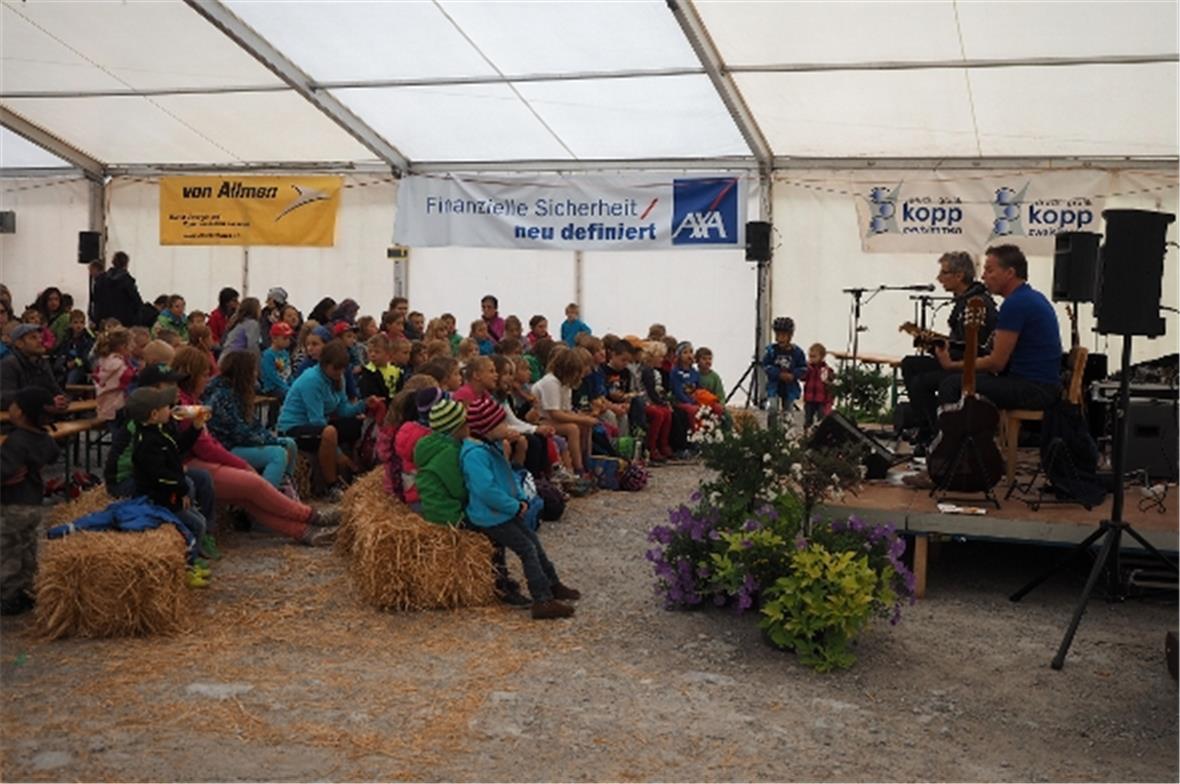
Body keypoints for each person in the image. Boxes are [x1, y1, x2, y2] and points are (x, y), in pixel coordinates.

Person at [169, 349, 337, 545]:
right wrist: (241, 464)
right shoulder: (187, 404)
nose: (208, 379)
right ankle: (310, 516)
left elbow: (217, 438)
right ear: (191, 375)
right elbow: (207, 446)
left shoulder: (194, 400)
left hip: (204, 457)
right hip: (195, 461)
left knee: (249, 496)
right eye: (204, 375)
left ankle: (303, 531)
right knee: (255, 484)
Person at [460, 398, 581, 620]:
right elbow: (486, 490)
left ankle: (553, 584)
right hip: (491, 516)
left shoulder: (490, 446)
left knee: (533, 543)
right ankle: (542, 599)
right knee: (527, 549)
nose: (507, 427)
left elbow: (505, 476)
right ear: (487, 429)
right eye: (502, 425)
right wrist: (513, 505)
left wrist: (519, 499)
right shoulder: (475, 454)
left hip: (503, 511)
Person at [934, 244, 1062, 415]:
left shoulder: (1016, 304)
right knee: (954, 381)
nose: (983, 276)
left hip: (1034, 389)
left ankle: (958, 440)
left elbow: (996, 363)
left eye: (989, 270)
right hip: (1038, 384)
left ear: (1009, 273)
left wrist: (952, 365)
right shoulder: (1029, 297)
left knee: (952, 385)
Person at [902, 251, 1000, 452]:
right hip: (959, 360)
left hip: (974, 368)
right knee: (910, 364)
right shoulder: (965, 299)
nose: (939, 278)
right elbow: (959, 343)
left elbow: (973, 348)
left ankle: (937, 434)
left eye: (944, 273)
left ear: (959, 276)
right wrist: (934, 343)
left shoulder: (976, 303)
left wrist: (939, 348)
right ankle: (926, 429)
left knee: (921, 382)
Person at [125, 385, 211, 578]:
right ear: (154, 414)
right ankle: (186, 568)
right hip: (158, 498)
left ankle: (191, 560)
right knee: (196, 525)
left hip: (168, 494)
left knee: (199, 521)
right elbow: (160, 476)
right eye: (166, 406)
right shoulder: (147, 443)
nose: (171, 408)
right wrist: (180, 490)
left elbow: (178, 448)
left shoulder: (159, 431)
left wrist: (195, 428)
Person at [277, 340, 373, 500]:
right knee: (329, 432)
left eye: (342, 368)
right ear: (324, 364)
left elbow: (343, 409)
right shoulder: (312, 380)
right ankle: (331, 486)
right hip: (294, 427)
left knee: (357, 425)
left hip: (318, 423)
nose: (339, 372)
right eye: (336, 368)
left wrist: (364, 405)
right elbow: (316, 421)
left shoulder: (337, 378)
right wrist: (338, 453)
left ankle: (360, 472)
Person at [205, 350, 299, 495]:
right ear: (244, 372)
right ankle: (265, 499)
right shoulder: (222, 396)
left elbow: (254, 425)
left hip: (242, 442)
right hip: (228, 447)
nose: (256, 374)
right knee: (278, 454)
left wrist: (269, 438)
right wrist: (268, 441)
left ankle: (283, 485)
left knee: (290, 444)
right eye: (253, 370)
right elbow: (239, 434)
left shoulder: (238, 391)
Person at [0, 387, 60, 614]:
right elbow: (53, 454)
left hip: (13, 503)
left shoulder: (17, 442)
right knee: (28, 547)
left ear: (22, 413)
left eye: (14, 405)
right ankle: (28, 588)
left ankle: (8, 594)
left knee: (9, 549)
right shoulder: (43, 437)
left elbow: (4, 470)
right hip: (33, 503)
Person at [0, 324, 66, 410]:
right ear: (19, 344)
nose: (40, 340)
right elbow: (4, 398)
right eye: (33, 338)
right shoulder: (9, 364)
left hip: (43, 415)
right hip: (16, 419)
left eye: (40, 337)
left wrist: (62, 400)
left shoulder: (43, 363)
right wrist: (43, 401)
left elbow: (55, 389)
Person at [761, 317, 807, 424]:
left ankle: (788, 434)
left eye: (783, 335)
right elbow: (766, 365)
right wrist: (778, 374)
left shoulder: (797, 352)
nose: (780, 338)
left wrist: (793, 375)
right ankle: (771, 432)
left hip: (789, 387)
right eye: (777, 335)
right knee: (772, 408)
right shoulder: (771, 351)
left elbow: (803, 368)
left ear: (790, 336)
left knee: (788, 412)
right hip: (774, 386)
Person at [93, 326, 135, 427]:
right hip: (117, 404)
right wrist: (138, 372)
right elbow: (126, 377)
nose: (133, 348)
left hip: (107, 403)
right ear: (123, 347)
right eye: (131, 345)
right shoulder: (117, 363)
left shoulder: (103, 360)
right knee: (119, 435)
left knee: (115, 430)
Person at [91, 251, 145, 328]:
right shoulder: (127, 280)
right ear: (126, 264)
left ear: (113, 262)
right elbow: (137, 302)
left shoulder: (101, 280)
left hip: (105, 322)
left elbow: (96, 302)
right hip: (124, 323)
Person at [259, 322, 295, 424]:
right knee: (287, 395)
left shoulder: (285, 353)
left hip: (284, 385)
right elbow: (271, 376)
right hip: (272, 387)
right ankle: (275, 422)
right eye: (284, 338)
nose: (288, 341)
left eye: (288, 338)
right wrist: (287, 387)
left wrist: (294, 385)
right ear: (274, 338)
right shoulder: (268, 355)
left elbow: (288, 372)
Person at [54, 309, 95, 386]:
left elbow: (86, 356)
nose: (79, 325)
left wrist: (75, 362)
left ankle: (69, 395)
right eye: (75, 322)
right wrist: (65, 363)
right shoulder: (66, 338)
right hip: (66, 365)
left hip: (81, 367)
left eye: (81, 323)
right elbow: (61, 352)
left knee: (73, 376)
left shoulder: (87, 339)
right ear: (70, 324)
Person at [802, 343, 835, 428]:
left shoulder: (826, 369)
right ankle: (807, 434)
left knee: (821, 419)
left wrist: (830, 377)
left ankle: (819, 434)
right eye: (810, 356)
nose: (811, 359)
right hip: (809, 398)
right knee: (808, 419)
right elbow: (802, 378)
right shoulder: (808, 368)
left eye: (814, 356)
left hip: (821, 399)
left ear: (822, 357)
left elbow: (830, 381)